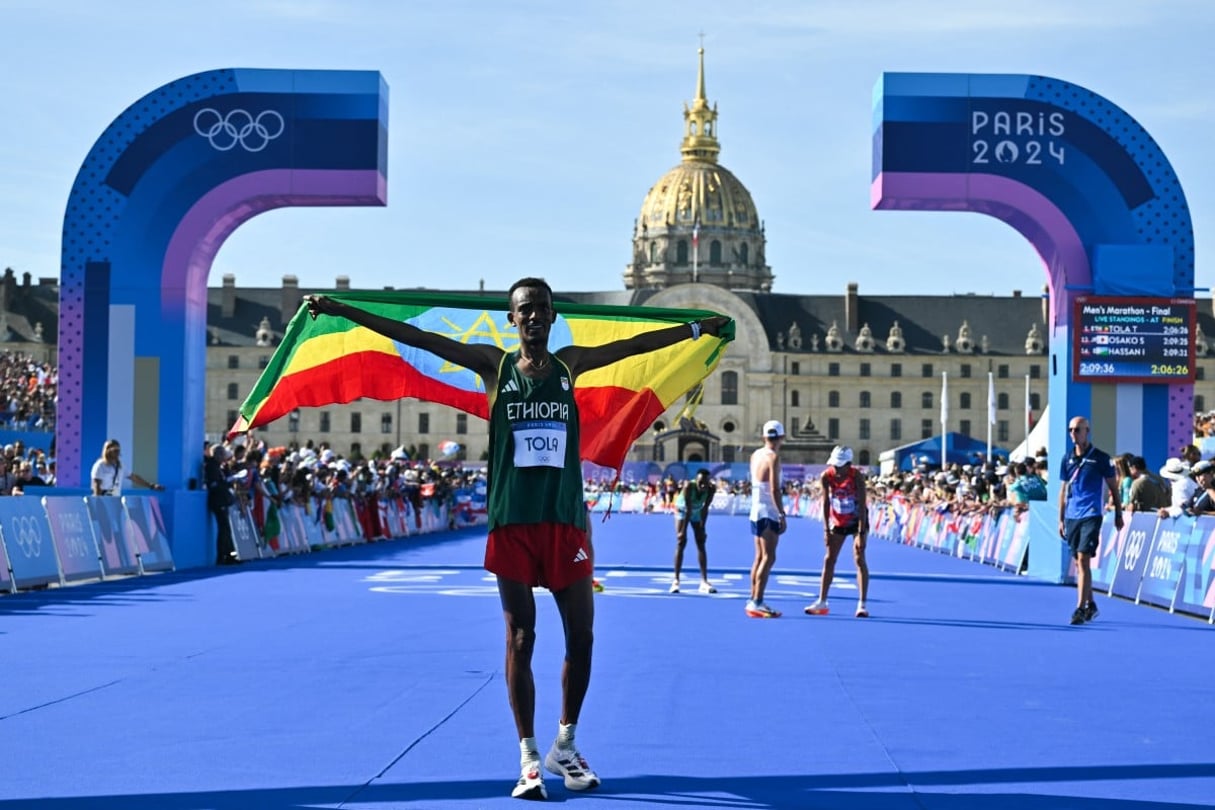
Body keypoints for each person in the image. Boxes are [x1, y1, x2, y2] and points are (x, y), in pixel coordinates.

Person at [307, 278, 728, 800]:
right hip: (513, 524)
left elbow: (633, 346)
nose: (533, 317)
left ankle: (565, 746)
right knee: (521, 639)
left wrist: (694, 329)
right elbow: (414, 338)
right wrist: (344, 311)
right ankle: (529, 756)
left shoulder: (571, 364)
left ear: (553, 318)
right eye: (524, 310)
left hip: (564, 522)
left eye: (542, 310)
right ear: (512, 319)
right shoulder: (493, 366)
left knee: (583, 638)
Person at [1058, 416, 1122, 625]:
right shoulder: (1067, 458)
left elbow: (1114, 487)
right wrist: (1061, 519)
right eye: (1071, 430)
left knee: (1084, 558)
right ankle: (1091, 603)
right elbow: (1063, 490)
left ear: (1087, 431)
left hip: (1092, 513)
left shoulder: (1101, 458)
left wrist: (1119, 514)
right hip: (1072, 516)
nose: (1074, 434)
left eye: (1078, 429)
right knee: (1078, 562)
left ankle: (1079, 608)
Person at [806, 445, 871, 618]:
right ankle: (822, 600)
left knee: (859, 557)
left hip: (857, 519)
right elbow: (826, 502)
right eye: (834, 464)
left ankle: (862, 604)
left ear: (849, 464)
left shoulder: (856, 476)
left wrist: (861, 533)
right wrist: (826, 529)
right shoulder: (827, 476)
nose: (836, 468)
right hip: (838, 520)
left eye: (839, 465)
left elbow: (863, 504)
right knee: (829, 558)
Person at [746, 420, 786, 618]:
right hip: (768, 510)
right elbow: (774, 488)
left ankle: (753, 597)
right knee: (769, 557)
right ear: (781, 437)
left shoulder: (755, 455)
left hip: (755, 509)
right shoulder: (773, 457)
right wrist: (781, 514)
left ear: (764, 437)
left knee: (759, 557)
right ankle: (757, 601)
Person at [670, 468, 715, 594]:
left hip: (696, 512)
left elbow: (705, 508)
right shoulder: (689, 486)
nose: (703, 485)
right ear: (696, 480)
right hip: (682, 511)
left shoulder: (711, 489)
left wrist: (703, 528)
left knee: (701, 542)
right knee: (681, 542)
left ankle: (704, 581)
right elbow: (688, 508)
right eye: (700, 482)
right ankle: (676, 580)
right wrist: (683, 531)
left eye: (705, 483)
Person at [90, 439, 164, 496]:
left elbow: (133, 477)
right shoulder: (100, 465)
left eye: (118, 450)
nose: (117, 453)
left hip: (114, 500)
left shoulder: (119, 466)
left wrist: (150, 485)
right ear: (107, 451)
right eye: (115, 451)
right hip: (102, 499)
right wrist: (98, 502)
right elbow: (96, 485)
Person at [204, 444, 238, 564]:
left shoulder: (220, 467)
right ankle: (222, 556)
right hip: (218, 501)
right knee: (223, 529)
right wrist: (225, 482)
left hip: (223, 500)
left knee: (226, 530)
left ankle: (230, 555)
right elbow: (214, 484)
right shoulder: (211, 467)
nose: (225, 457)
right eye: (223, 454)